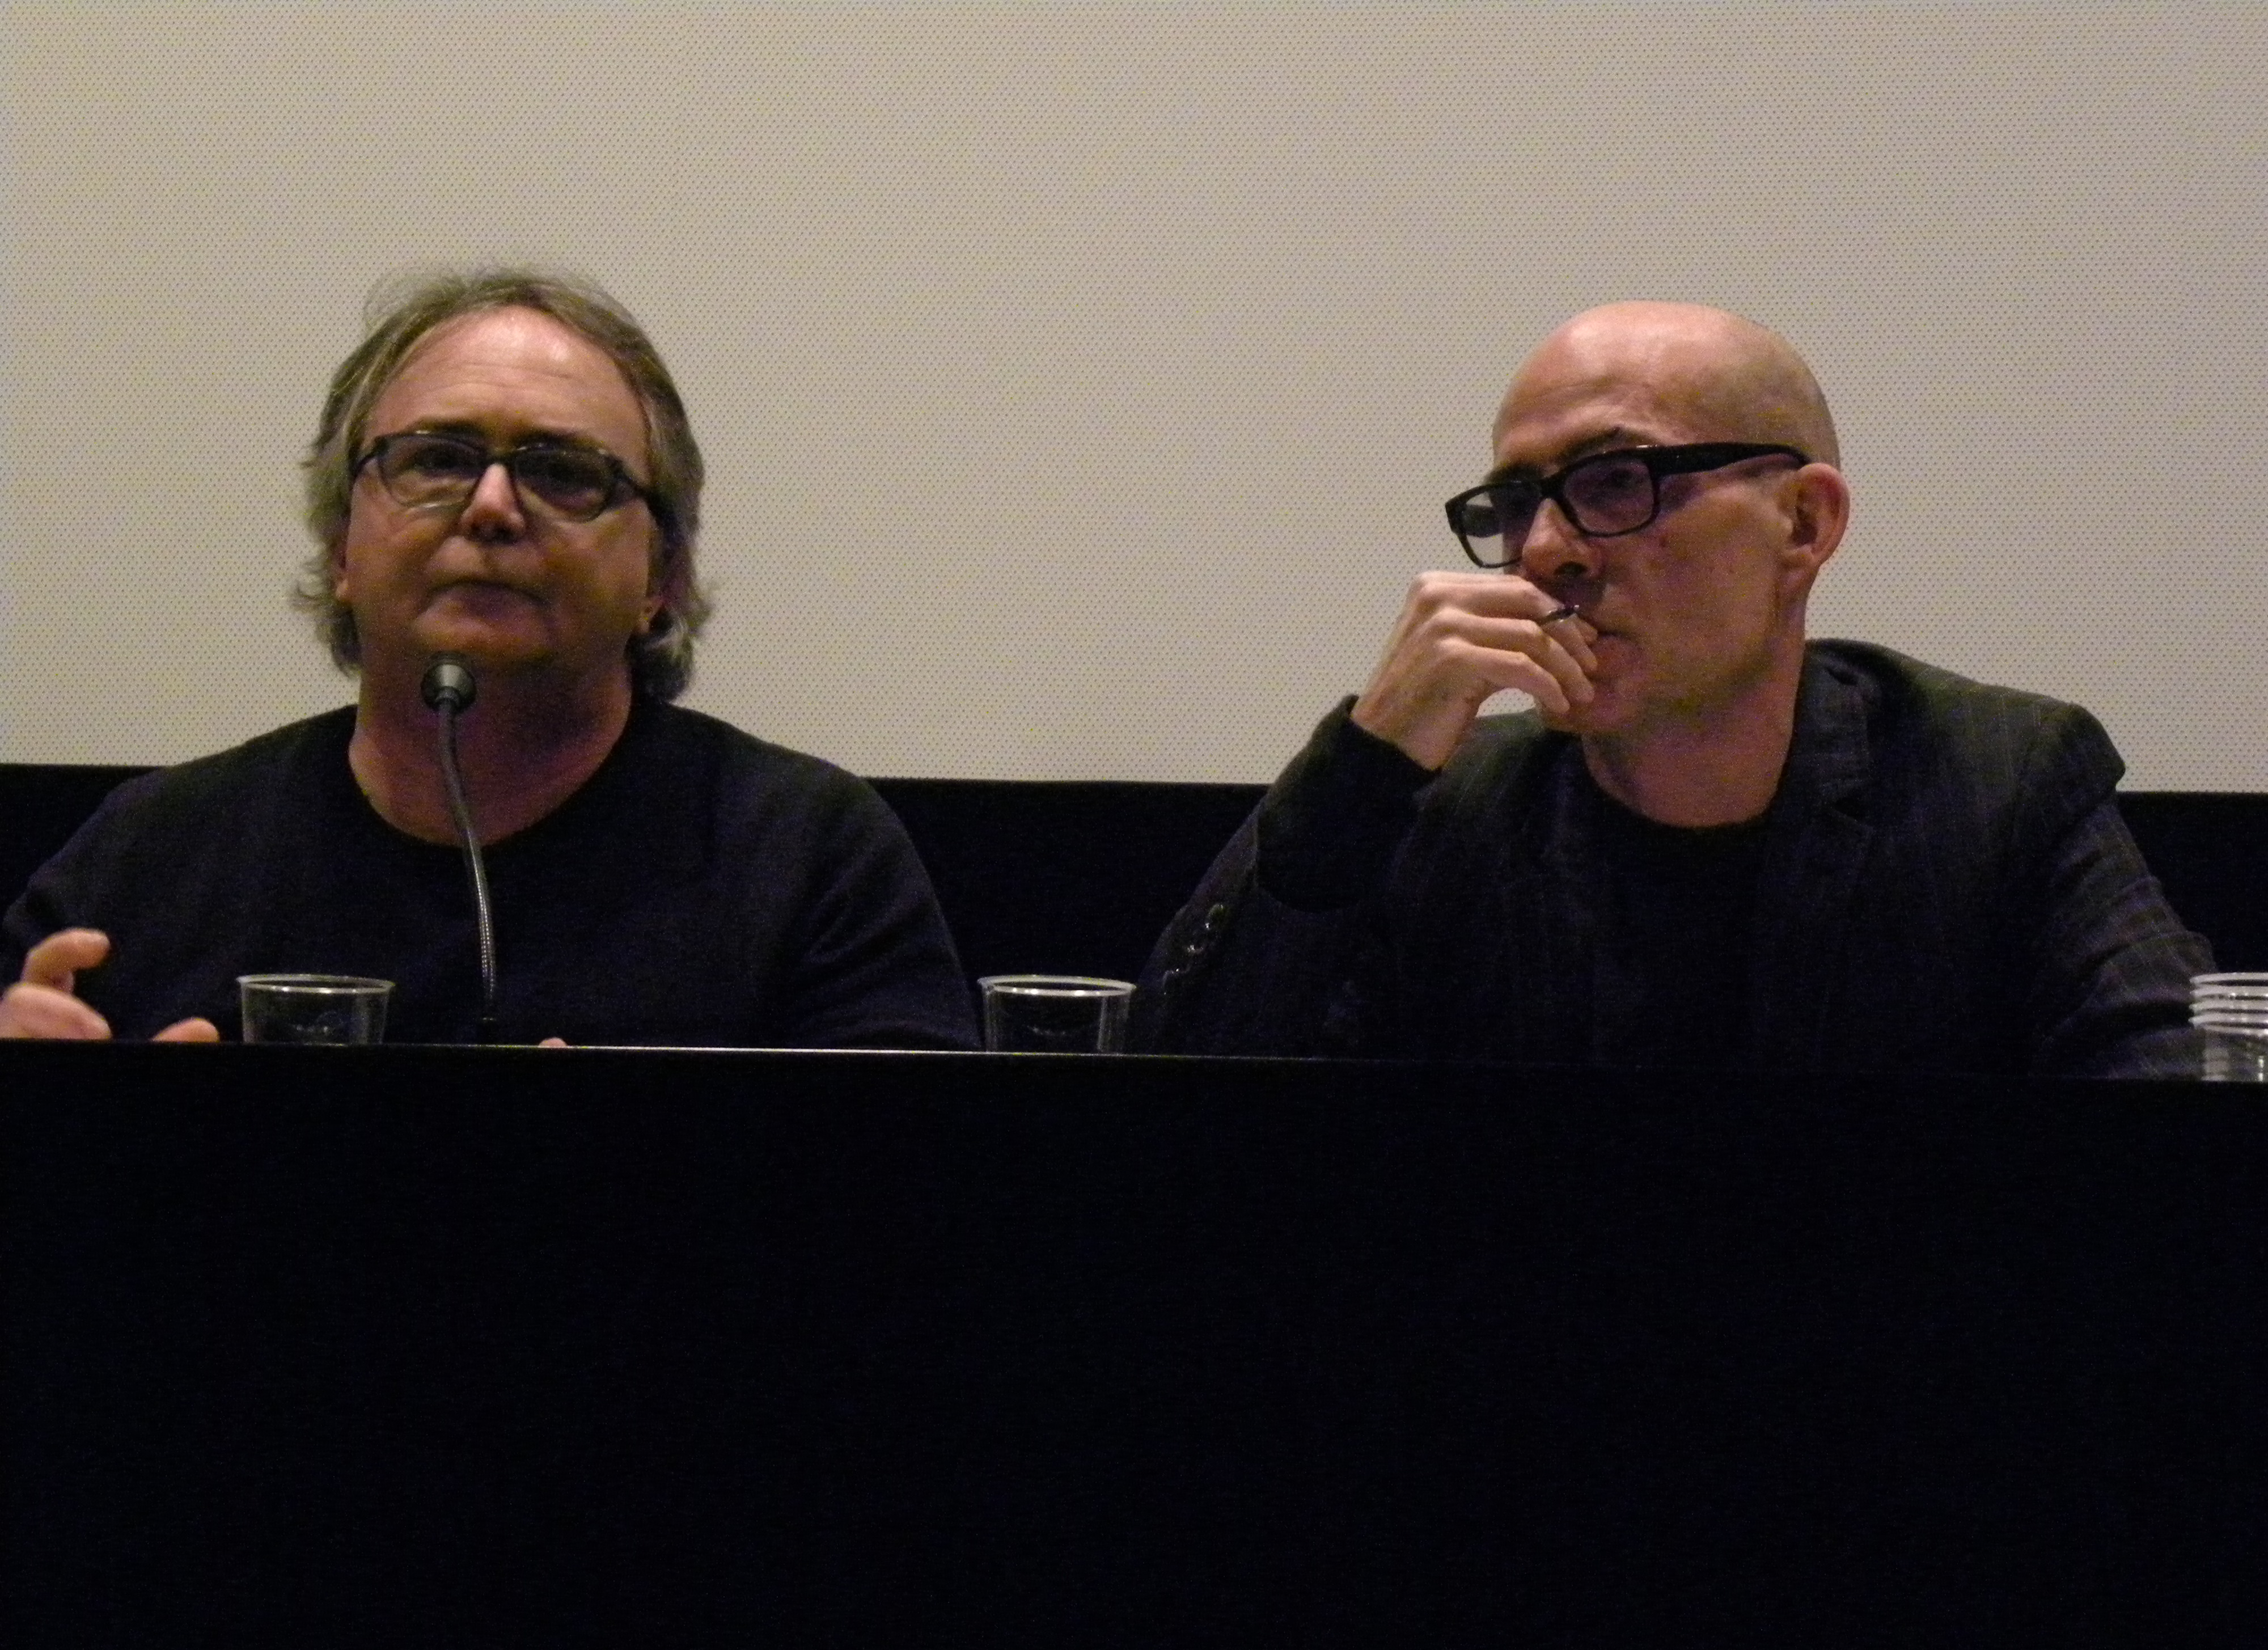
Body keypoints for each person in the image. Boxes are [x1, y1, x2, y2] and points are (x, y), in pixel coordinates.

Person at [1137, 301, 2209, 1076]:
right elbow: (1163, 1136)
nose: (1544, 551)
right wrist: (1362, 767)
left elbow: (2189, 1128)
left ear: (1803, 524)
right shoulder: (1436, 811)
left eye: (1618, 482)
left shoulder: (1995, 783)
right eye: (1516, 504)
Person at [2, 268, 976, 1047]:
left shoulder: (808, 859)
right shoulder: (151, 856)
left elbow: (927, 1209)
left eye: (564, 473)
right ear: (342, 549)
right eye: (437, 460)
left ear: (662, 578)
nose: (493, 508)